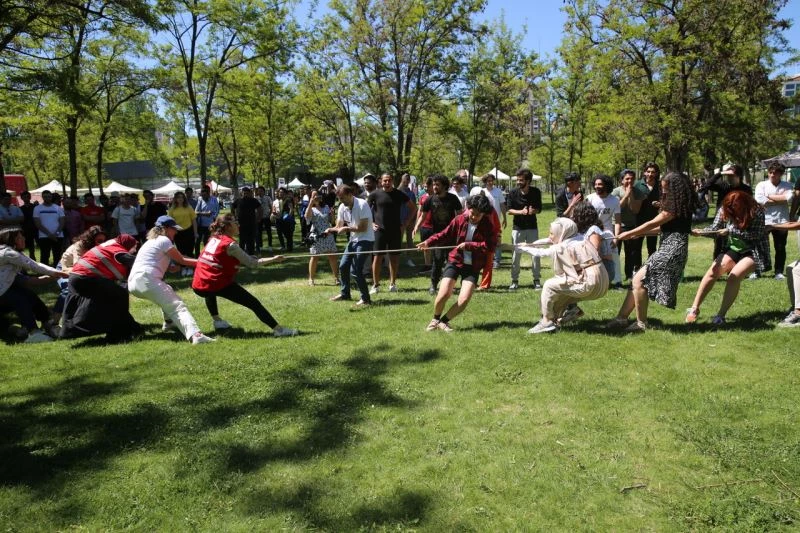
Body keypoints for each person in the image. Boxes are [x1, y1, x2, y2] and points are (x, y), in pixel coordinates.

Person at [606, 172, 697, 332]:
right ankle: (621, 319)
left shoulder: (674, 206)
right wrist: (638, 234)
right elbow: (663, 229)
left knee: (639, 281)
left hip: (672, 250)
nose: (664, 192)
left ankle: (641, 324)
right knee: (638, 280)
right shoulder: (679, 204)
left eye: (666, 188)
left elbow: (652, 223)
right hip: (670, 247)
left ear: (674, 188)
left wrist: (630, 233)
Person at [192, 214, 297, 336]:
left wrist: (245, 258)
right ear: (227, 226)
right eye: (235, 222)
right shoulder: (230, 245)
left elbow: (221, 259)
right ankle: (279, 330)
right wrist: (274, 259)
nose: (238, 224)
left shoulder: (214, 238)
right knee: (253, 303)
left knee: (209, 292)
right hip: (214, 283)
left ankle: (217, 321)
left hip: (198, 284)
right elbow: (252, 264)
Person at [685, 190, 769, 326]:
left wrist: (731, 231)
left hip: (753, 250)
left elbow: (756, 235)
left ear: (743, 203)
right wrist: (701, 232)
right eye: (728, 207)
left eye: (734, 206)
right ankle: (694, 309)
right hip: (733, 248)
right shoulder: (725, 210)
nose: (731, 209)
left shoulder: (756, 211)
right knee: (713, 272)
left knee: (734, 277)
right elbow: (715, 229)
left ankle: (721, 315)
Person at [127, 215, 214, 344]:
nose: (176, 232)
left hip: (133, 284)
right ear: (166, 229)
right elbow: (182, 259)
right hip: (147, 280)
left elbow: (166, 264)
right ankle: (196, 336)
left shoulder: (150, 242)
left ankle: (168, 323)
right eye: (174, 229)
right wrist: (205, 263)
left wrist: (173, 268)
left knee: (168, 290)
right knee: (177, 306)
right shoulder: (164, 240)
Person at [418, 194, 496, 332]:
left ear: (484, 213)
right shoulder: (460, 219)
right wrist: (428, 242)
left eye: (478, 215)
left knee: (464, 299)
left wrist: (469, 245)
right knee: (444, 293)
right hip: (456, 260)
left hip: (473, 265)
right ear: (468, 208)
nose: (474, 217)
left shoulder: (488, 225)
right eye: (472, 213)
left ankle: (444, 321)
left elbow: (490, 246)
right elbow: (445, 234)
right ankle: (435, 319)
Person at [522, 217, 609, 334]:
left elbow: (541, 253)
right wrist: (531, 244)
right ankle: (570, 313)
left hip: (590, 282)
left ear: (562, 233)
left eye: (552, 233)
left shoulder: (562, 247)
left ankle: (546, 321)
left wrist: (523, 248)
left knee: (549, 285)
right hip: (603, 281)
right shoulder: (580, 238)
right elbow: (550, 240)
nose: (550, 236)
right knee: (559, 294)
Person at [60, 233, 142, 342]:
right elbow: (137, 262)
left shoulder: (109, 245)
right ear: (127, 244)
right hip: (86, 278)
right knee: (119, 295)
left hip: (76, 277)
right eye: (132, 247)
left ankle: (130, 328)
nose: (132, 250)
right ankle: (121, 333)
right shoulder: (118, 250)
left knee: (113, 299)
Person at [0, 227, 68, 343]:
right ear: (10, 240)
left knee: (29, 295)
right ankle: (33, 332)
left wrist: (55, 275)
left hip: (5, 291)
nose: (24, 239)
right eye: (20, 238)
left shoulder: (11, 254)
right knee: (20, 299)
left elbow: (29, 280)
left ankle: (47, 322)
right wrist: (57, 272)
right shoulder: (7, 253)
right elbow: (34, 265)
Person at [368, 173, 417, 293]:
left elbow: (413, 208)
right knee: (377, 258)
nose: (387, 182)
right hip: (379, 231)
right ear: (381, 181)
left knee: (394, 258)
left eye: (389, 180)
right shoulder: (375, 194)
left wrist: (405, 223)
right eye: (385, 180)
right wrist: (371, 223)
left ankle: (393, 284)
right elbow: (365, 210)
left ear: (392, 181)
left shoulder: (399, 194)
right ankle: (375, 285)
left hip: (395, 230)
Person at [327, 184, 374, 307]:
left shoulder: (362, 204)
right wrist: (330, 230)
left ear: (350, 194)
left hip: (366, 239)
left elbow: (363, 228)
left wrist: (347, 229)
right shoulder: (342, 206)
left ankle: (366, 299)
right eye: (339, 199)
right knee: (343, 266)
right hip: (354, 240)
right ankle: (345, 294)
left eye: (342, 198)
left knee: (356, 269)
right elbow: (339, 225)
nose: (341, 201)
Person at [414, 175, 462, 295]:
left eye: (437, 185)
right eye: (434, 184)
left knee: (452, 261)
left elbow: (460, 216)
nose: (434, 187)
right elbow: (423, 216)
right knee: (437, 261)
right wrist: (416, 227)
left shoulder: (453, 198)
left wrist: (460, 231)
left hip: (451, 235)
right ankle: (433, 285)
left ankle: (450, 284)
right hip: (437, 236)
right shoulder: (429, 199)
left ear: (445, 186)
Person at [698, 163, 753, 262]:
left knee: (736, 245)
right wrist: (720, 173)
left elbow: (749, 205)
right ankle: (717, 266)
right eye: (727, 176)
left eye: (732, 176)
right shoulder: (723, 186)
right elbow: (707, 185)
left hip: (738, 221)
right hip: (722, 219)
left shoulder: (746, 189)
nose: (729, 178)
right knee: (719, 244)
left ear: (739, 176)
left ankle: (735, 267)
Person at [506, 168, 543, 290]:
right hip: (518, 229)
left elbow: (539, 208)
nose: (518, 182)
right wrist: (521, 212)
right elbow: (509, 210)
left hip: (532, 228)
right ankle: (514, 280)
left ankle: (536, 280)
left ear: (528, 181)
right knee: (516, 255)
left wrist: (534, 211)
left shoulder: (536, 192)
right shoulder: (512, 193)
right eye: (517, 180)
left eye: (521, 180)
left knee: (535, 254)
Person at [754, 162, 792, 280]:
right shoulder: (761, 185)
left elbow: (789, 199)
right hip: (764, 220)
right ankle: (757, 271)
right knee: (759, 247)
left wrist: (769, 196)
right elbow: (759, 200)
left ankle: (778, 272)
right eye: (770, 172)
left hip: (782, 220)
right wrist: (780, 198)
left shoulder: (787, 185)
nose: (772, 175)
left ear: (781, 174)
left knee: (780, 247)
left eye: (775, 173)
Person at [586, 174, 622, 286]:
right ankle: (594, 280)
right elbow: (585, 218)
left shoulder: (615, 200)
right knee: (592, 256)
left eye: (600, 184)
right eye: (596, 184)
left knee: (614, 255)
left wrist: (616, 237)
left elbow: (617, 221)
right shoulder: (590, 198)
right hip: (592, 231)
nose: (597, 186)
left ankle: (617, 282)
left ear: (606, 185)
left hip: (608, 232)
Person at [611, 169, 646, 282]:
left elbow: (635, 210)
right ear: (622, 180)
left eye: (632, 179)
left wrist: (631, 194)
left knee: (630, 253)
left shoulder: (638, 192)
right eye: (627, 179)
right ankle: (615, 277)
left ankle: (629, 275)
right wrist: (625, 195)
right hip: (616, 226)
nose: (630, 181)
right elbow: (617, 209)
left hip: (631, 226)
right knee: (615, 252)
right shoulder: (615, 192)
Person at [304, 190, 339, 285]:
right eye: (313, 196)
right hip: (316, 236)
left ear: (321, 197)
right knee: (314, 257)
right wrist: (311, 203)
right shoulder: (311, 209)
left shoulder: (326, 207)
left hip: (328, 234)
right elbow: (307, 217)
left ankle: (336, 278)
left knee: (332, 257)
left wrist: (332, 215)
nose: (315, 197)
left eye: (317, 195)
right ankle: (311, 279)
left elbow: (332, 222)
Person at [634, 162, 662, 259]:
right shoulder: (637, 185)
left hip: (654, 221)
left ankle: (652, 270)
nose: (650, 174)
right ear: (644, 172)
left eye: (653, 172)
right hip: (639, 221)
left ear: (657, 173)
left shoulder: (660, 185)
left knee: (652, 247)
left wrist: (660, 204)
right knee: (637, 247)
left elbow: (666, 201)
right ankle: (637, 269)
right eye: (648, 171)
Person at [33, 190, 65, 267]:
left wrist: (56, 233)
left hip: (58, 235)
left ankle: (58, 272)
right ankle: (44, 273)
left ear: (51, 197)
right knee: (44, 255)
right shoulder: (37, 208)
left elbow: (62, 221)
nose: (47, 198)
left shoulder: (58, 208)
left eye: (49, 196)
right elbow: (38, 223)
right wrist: (49, 234)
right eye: (45, 196)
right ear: (42, 197)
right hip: (44, 236)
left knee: (57, 255)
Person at [481, 173, 507, 268]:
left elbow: (502, 205)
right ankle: (486, 259)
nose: (490, 182)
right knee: (485, 240)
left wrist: (505, 218)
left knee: (497, 239)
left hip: (496, 220)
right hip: (484, 220)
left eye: (492, 180)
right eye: (488, 181)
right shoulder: (482, 192)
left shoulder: (498, 191)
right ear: (485, 182)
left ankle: (497, 260)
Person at [194, 185, 219, 256]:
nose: (203, 193)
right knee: (197, 242)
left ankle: (206, 256)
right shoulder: (200, 199)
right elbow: (195, 212)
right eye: (202, 191)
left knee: (207, 241)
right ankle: (197, 256)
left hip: (210, 225)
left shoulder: (214, 199)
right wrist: (205, 214)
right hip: (200, 225)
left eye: (205, 191)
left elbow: (217, 211)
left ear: (209, 192)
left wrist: (213, 216)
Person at [237, 187, 262, 255]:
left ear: (249, 193)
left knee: (251, 240)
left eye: (246, 193)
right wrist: (234, 216)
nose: (245, 195)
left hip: (251, 223)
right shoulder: (238, 200)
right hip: (241, 224)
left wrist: (259, 218)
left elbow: (260, 208)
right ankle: (241, 255)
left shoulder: (253, 200)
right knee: (242, 240)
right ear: (241, 193)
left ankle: (251, 254)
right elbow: (233, 207)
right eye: (244, 193)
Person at [19, 191, 38, 260]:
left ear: (30, 197)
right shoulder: (20, 208)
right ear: (22, 198)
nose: (26, 198)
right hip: (26, 229)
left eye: (27, 197)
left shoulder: (35, 207)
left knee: (37, 245)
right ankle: (29, 260)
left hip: (36, 228)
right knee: (28, 247)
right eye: (24, 197)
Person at [255, 186, 273, 253]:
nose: (259, 192)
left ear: (263, 191)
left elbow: (271, 206)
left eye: (260, 190)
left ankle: (270, 246)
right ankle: (260, 246)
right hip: (259, 218)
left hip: (266, 217)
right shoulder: (256, 198)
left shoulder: (267, 198)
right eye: (258, 191)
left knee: (269, 232)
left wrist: (270, 214)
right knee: (259, 232)